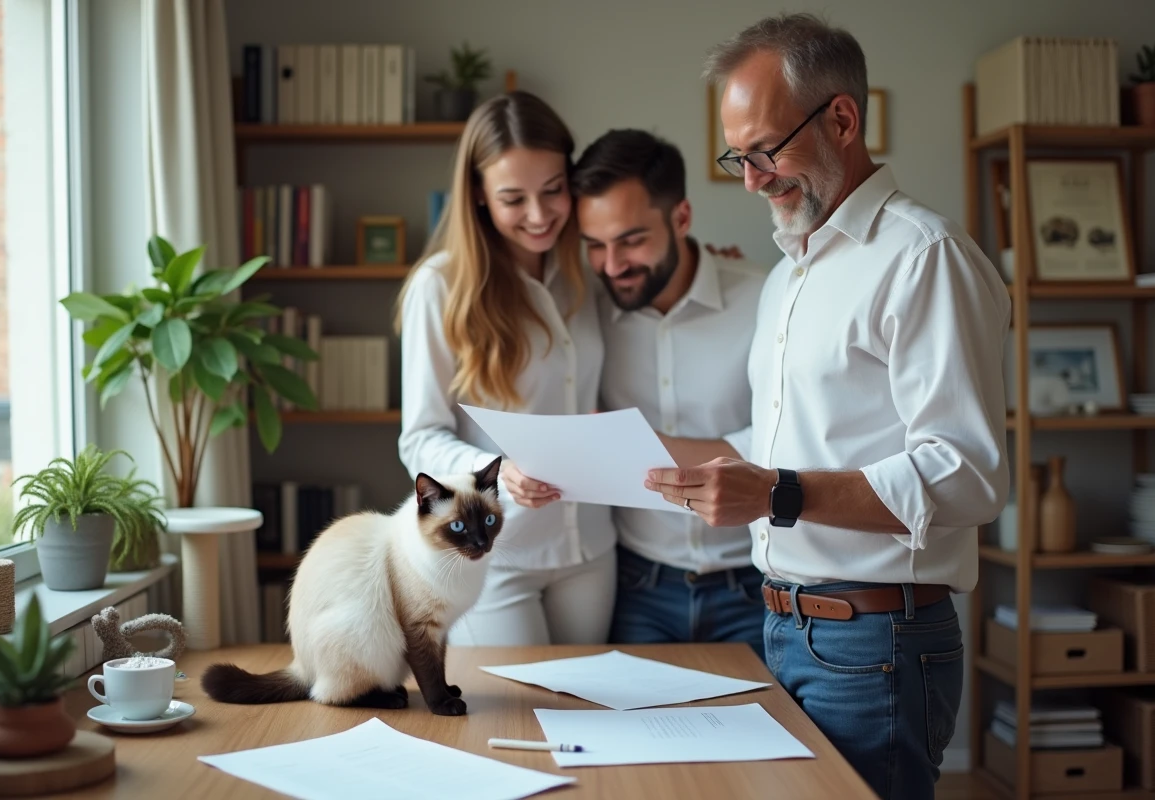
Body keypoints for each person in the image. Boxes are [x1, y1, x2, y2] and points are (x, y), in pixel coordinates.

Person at [644, 14, 1009, 800]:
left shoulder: (923, 259)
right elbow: (776, 442)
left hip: (876, 642)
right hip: (782, 629)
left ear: (842, 118)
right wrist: (629, 447)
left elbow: (969, 475)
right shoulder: (790, 274)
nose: (750, 179)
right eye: (736, 157)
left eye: (765, 151)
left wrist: (779, 493)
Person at [396, 91, 616, 647]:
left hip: (591, 548)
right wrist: (492, 473)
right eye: (513, 198)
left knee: (589, 718)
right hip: (493, 555)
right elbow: (419, 436)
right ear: (477, 195)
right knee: (512, 719)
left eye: (552, 191)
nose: (539, 216)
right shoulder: (440, 287)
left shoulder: (591, 276)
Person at [570, 129, 769, 653]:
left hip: (754, 586)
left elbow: (786, 438)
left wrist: (640, 443)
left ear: (681, 218)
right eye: (595, 245)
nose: (612, 266)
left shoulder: (766, 298)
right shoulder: (582, 312)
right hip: (637, 588)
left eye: (631, 240)